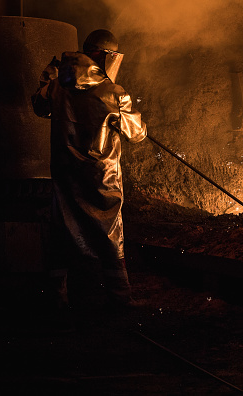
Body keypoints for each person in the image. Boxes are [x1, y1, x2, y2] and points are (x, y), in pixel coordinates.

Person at [32, 29, 147, 312]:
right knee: (109, 235)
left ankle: (56, 299)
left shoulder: (58, 86)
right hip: (101, 176)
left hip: (65, 175)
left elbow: (39, 106)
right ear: (103, 55)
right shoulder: (114, 93)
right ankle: (120, 298)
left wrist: (47, 76)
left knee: (62, 231)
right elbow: (138, 134)